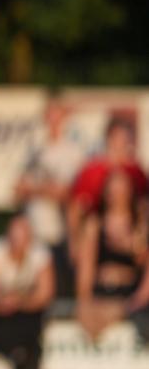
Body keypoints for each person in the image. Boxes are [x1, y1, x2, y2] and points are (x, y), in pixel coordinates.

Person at [0, 212, 54, 369]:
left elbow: (45, 294)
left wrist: (20, 301)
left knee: (32, 331)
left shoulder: (40, 254)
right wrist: (2, 302)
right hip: (0, 313)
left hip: (27, 313)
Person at [14, 99, 85, 296]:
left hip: (59, 233)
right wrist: (46, 189)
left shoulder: (72, 152)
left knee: (58, 290)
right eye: (49, 116)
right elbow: (18, 190)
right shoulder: (34, 150)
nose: (53, 121)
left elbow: (67, 193)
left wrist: (34, 189)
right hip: (33, 233)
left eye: (57, 115)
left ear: (64, 118)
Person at [75, 169, 149, 341]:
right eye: (114, 188)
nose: (118, 194)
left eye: (122, 188)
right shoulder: (95, 225)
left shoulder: (140, 225)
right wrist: (84, 302)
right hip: (102, 294)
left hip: (130, 296)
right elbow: (86, 271)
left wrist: (131, 244)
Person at [67, 117, 148, 260]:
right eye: (118, 138)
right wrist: (75, 241)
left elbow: (143, 206)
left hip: (129, 236)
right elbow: (76, 209)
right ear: (109, 139)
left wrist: (140, 236)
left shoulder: (135, 171)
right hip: (98, 239)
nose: (122, 143)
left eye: (125, 139)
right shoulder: (93, 170)